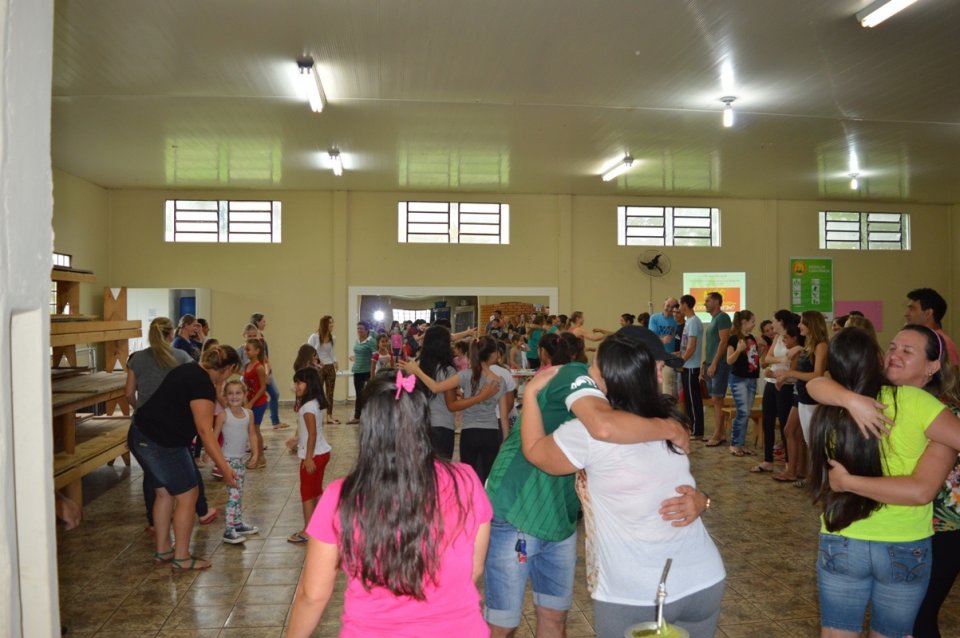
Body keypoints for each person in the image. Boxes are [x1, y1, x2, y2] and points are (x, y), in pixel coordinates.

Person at [482, 326, 706, 638]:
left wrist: (702, 499)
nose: (657, 378)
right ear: (626, 363)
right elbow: (601, 425)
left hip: (560, 516)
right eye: (654, 367)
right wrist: (669, 428)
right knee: (502, 624)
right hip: (517, 509)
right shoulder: (579, 378)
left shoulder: (623, 404)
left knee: (554, 617)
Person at [287, 373, 493, 637]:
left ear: (369, 428)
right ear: (423, 423)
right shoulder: (465, 481)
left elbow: (312, 595)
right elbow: (474, 569)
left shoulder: (342, 495)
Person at [806, 327, 960, 638]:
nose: (894, 354)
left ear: (933, 366)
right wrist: (852, 399)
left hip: (878, 536)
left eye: (907, 350)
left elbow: (921, 490)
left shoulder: (932, 410)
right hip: (899, 542)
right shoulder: (858, 398)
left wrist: (848, 482)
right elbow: (815, 383)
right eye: (892, 346)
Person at [126, 346, 240, 570]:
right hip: (161, 443)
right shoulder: (202, 385)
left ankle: (163, 550)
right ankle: (182, 557)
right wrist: (225, 469)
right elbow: (205, 431)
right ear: (228, 369)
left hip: (140, 434)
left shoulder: (189, 369)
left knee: (164, 493)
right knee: (189, 495)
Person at [125, 317, 217, 529]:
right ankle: (201, 510)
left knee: (152, 475)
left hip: (143, 424)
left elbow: (129, 392)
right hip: (174, 422)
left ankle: (153, 522)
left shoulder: (136, 358)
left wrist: (139, 407)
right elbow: (196, 379)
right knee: (188, 470)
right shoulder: (181, 356)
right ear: (170, 335)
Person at [404, 336, 505, 483]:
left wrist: (417, 371)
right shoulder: (499, 381)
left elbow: (436, 387)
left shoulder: (465, 375)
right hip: (491, 432)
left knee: (469, 479)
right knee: (487, 479)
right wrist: (505, 438)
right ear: (492, 354)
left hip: (470, 432)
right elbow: (502, 413)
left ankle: (468, 505)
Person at [416, 325, 498, 459]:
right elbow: (451, 404)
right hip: (442, 426)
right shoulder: (447, 370)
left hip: (420, 425)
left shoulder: (418, 366)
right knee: (442, 475)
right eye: (450, 343)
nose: (452, 347)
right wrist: (480, 397)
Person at [287, 367, 332, 544]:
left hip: (313, 456)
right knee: (315, 490)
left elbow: (312, 434)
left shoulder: (307, 407)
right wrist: (298, 440)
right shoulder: (315, 403)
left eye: (299, 382)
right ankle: (321, 524)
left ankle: (307, 530)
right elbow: (311, 432)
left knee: (306, 492)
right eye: (295, 382)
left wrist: (308, 457)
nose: (296, 386)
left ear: (310, 384)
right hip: (322, 453)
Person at [213, 375, 259, 544]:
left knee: (239, 493)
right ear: (225, 397)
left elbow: (252, 435)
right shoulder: (223, 416)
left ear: (244, 395)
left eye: (238, 393)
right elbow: (214, 437)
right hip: (227, 461)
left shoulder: (249, 414)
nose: (234, 397)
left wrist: (255, 454)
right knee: (233, 495)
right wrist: (215, 459)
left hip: (240, 461)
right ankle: (229, 530)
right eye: (230, 394)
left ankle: (238, 524)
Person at [755, 310, 800, 473]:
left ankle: (789, 462)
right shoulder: (777, 338)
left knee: (784, 424)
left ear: (781, 322)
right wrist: (781, 359)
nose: (771, 324)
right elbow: (767, 359)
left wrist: (776, 369)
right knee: (767, 422)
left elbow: (792, 361)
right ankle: (768, 460)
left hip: (786, 384)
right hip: (771, 382)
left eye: (774, 321)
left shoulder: (793, 337)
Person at [726, 309, 760, 457]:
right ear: (744, 322)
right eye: (752, 321)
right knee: (743, 412)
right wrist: (739, 350)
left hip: (752, 378)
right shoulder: (734, 339)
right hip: (739, 379)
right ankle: (734, 444)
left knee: (746, 413)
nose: (754, 324)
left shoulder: (751, 337)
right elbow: (729, 360)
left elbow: (753, 358)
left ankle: (741, 444)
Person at [250, 312, 290, 430]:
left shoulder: (261, 337)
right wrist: (265, 373)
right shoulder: (254, 340)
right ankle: (257, 424)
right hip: (260, 372)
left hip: (266, 371)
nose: (265, 323)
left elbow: (265, 357)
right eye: (263, 321)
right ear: (257, 322)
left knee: (274, 394)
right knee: (264, 395)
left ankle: (274, 421)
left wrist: (268, 370)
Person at [703, 292, 732, 446]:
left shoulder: (723, 317)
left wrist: (714, 363)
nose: (705, 303)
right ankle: (719, 432)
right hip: (711, 362)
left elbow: (723, 341)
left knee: (717, 398)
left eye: (707, 301)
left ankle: (718, 433)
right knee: (715, 400)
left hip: (719, 364)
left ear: (716, 302)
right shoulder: (714, 319)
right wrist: (706, 363)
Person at [905, 287, 959, 367]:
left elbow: (951, 378)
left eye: (912, 309)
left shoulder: (944, 344)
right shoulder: (922, 340)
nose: (906, 314)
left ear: (928, 313)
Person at [678, 294, 705, 439]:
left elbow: (692, 346)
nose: (679, 308)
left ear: (685, 305)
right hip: (687, 365)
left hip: (691, 366)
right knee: (688, 399)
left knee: (693, 400)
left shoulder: (694, 322)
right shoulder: (689, 322)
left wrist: (681, 361)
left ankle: (697, 430)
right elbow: (686, 345)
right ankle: (692, 427)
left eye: (681, 304)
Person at [307, 315, 340, 425]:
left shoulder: (333, 338)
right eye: (330, 323)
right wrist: (314, 364)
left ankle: (329, 416)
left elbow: (331, 352)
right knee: (317, 393)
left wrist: (335, 361)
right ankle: (316, 415)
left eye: (332, 322)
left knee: (330, 393)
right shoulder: (314, 337)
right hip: (318, 368)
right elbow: (309, 351)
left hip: (330, 367)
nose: (332, 325)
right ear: (324, 324)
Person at [243, 338, 269, 469]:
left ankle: (261, 457)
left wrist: (252, 402)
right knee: (250, 430)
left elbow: (263, 387)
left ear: (257, 351)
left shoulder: (259, 367)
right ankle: (254, 454)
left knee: (255, 429)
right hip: (250, 402)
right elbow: (247, 385)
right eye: (245, 349)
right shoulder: (247, 366)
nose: (245, 351)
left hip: (259, 402)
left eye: (248, 349)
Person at [348, 321, 378, 424]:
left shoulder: (372, 341)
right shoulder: (358, 340)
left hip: (367, 372)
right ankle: (357, 417)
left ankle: (370, 416)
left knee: (368, 395)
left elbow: (375, 357)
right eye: (358, 329)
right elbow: (361, 354)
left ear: (366, 330)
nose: (359, 330)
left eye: (361, 328)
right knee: (359, 395)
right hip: (357, 371)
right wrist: (355, 357)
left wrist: (372, 373)